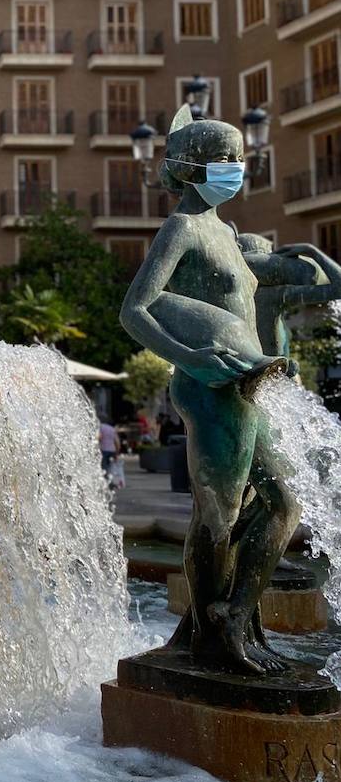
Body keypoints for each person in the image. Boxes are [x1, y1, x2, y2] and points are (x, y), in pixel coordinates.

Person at [120, 107, 299, 675]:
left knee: (282, 507)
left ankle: (233, 613)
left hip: (247, 384)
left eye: (240, 158)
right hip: (210, 385)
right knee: (216, 516)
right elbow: (136, 309)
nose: (237, 168)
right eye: (226, 159)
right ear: (192, 167)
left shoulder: (223, 231)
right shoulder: (184, 228)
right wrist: (191, 357)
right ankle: (212, 639)